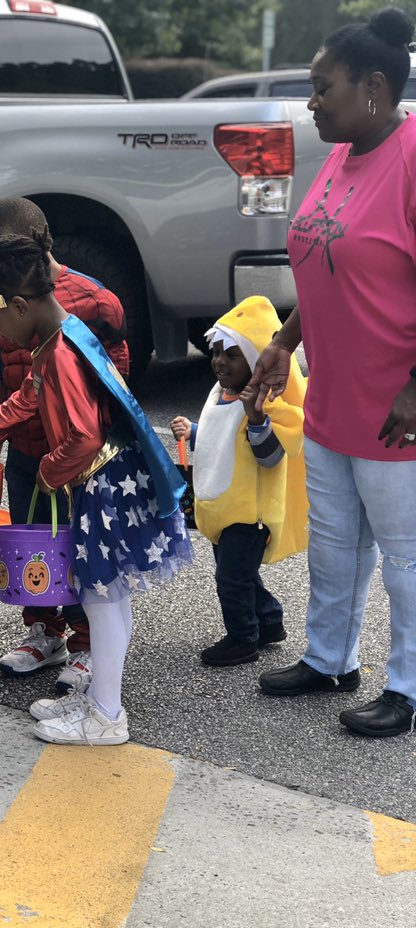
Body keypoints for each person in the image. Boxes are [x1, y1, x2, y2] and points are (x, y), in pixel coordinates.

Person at [0, 234, 193, 745]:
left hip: (101, 485)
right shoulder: (60, 336)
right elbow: (24, 401)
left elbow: (82, 437)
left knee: (101, 600)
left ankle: (106, 717)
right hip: (111, 479)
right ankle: (100, 696)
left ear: (17, 305)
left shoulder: (60, 355)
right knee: (108, 599)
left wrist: (49, 476)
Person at [252, 7, 416, 738]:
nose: (311, 101)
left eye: (323, 87)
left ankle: (407, 685)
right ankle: (329, 659)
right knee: (336, 540)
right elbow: (324, 264)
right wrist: (286, 339)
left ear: (374, 87)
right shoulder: (344, 152)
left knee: (406, 555)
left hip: (395, 404)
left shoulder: (410, 158)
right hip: (332, 395)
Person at [0, 197, 130, 694]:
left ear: (40, 247)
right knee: (30, 541)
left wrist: (81, 451)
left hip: (79, 463)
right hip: (27, 453)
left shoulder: (95, 302)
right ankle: (46, 632)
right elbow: (12, 379)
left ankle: (87, 644)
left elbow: (114, 385)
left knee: (81, 552)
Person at [170, 296, 307, 667]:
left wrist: (258, 419)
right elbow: (220, 440)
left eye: (233, 354)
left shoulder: (261, 403)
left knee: (232, 579)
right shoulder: (221, 394)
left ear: (258, 358)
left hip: (249, 516)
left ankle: (242, 638)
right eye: (216, 352)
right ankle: (269, 620)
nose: (219, 361)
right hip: (224, 510)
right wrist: (194, 430)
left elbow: (270, 457)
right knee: (240, 575)